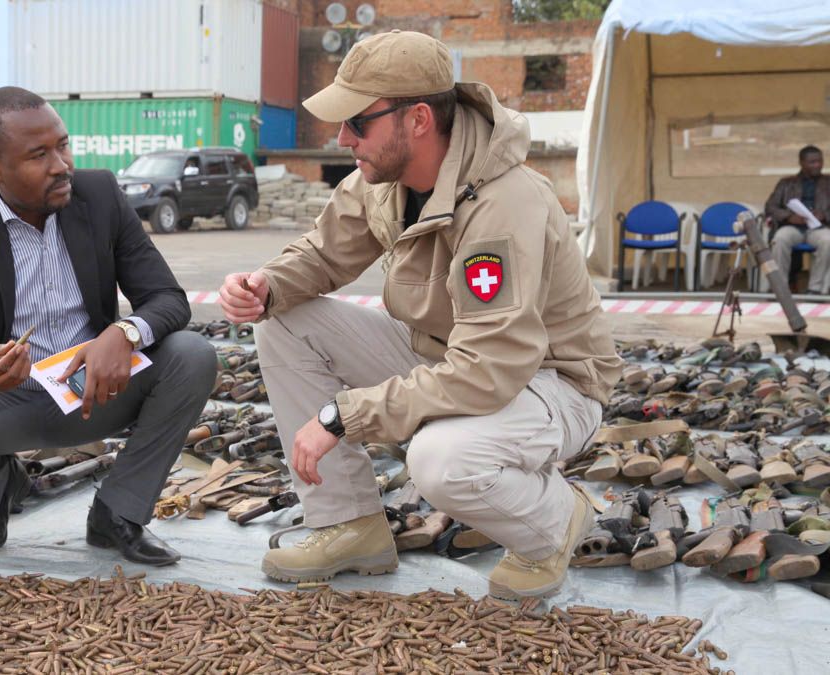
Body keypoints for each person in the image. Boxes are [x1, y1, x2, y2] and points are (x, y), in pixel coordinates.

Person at [218, 30, 621, 599]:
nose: (341, 138)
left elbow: (489, 369)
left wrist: (342, 414)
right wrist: (265, 286)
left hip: (549, 381)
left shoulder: (505, 205)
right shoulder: (383, 179)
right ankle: (348, 524)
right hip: (448, 355)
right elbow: (324, 252)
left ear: (419, 120)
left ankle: (555, 520)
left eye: (358, 122)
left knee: (441, 461)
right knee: (284, 321)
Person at [0, 86, 216, 562]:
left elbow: (167, 298)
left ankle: (118, 513)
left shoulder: (100, 194)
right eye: (39, 155)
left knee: (192, 355)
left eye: (62, 145)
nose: (61, 164)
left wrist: (121, 334)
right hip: (5, 401)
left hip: (96, 387)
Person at [767, 145, 830, 294]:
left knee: (828, 241)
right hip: (793, 227)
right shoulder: (786, 183)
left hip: (818, 228)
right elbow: (770, 207)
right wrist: (789, 216)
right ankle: (780, 288)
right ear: (801, 162)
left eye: (820, 161)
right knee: (780, 239)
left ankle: (815, 288)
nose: (818, 165)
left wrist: (825, 215)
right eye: (812, 162)